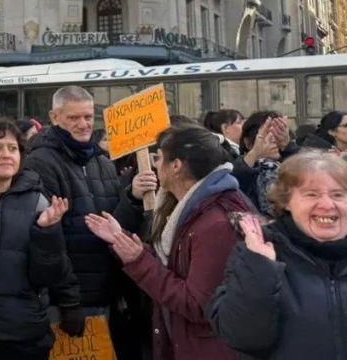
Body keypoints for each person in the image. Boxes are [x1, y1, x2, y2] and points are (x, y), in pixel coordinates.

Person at [85, 125, 253, 360]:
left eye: (159, 158)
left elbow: (196, 304)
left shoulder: (215, 224)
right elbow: (174, 268)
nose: (154, 164)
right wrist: (121, 239)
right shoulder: (190, 208)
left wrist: (139, 261)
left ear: (176, 166)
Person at [21, 86, 154, 349]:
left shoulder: (101, 161)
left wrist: (133, 196)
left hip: (108, 293)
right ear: (54, 117)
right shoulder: (41, 163)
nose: (83, 125)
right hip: (70, 301)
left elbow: (114, 223)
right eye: (74, 118)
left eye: (88, 117)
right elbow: (49, 239)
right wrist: (69, 300)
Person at [208, 151, 347, 359]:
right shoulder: (258, 250)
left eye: (338, 194)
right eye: (312, 194)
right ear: (286, 202)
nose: (327, 204)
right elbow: (242, 337)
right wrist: (259, 268)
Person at [0, 118, 71, 360]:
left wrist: (47, 233)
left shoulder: (38, 200)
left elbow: (48, 276)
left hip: (23, 334)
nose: (7, 155)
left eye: (13, 148)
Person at [232, 111, 298, 217]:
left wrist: (288, 147)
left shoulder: (291, 164)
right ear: (248, 142)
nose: (273, 140)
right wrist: (255, 152)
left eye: (278, 133)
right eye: (266, 135)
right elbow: (237, 181)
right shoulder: (243, 169)